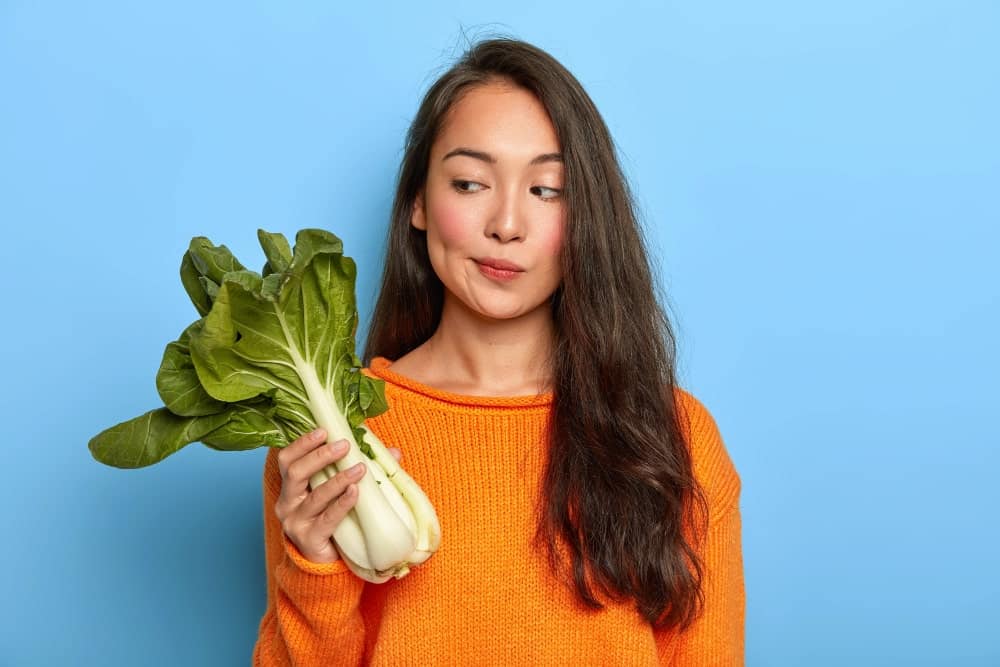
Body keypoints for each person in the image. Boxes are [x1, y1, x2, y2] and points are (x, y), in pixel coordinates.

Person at [253, 38, 743, 666]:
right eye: (470, 182)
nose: (506, 224)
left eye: (546, 190)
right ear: (419, 204)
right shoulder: (332, 442)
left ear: (586, 217)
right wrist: (313, 570)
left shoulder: (677, 438)